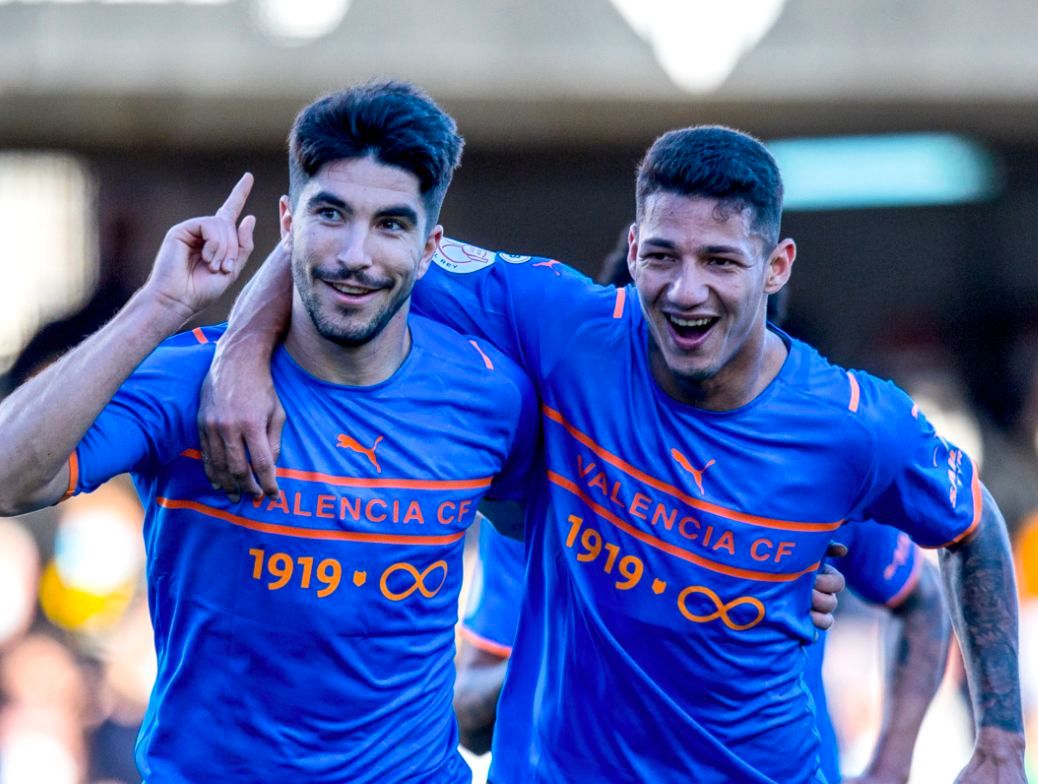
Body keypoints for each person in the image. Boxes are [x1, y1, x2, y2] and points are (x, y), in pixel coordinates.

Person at [199, 124, 1026, 782]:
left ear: (776, 266)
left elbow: (971, 524)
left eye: (720, 261)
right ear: (632, 250)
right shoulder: (569, 328)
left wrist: (995, 741)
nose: (686, 291)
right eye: (663, 256)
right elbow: (350, 245)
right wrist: (239, 352)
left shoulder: (852, 427)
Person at [0, 81, 545, 783]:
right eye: (331, 214)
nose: (355, 253)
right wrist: (157, 306)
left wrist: (503, 655)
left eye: (390, 225)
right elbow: (10, 480)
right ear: (288, 223)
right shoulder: (188, 379)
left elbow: (554, 535)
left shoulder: (492, 397)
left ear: (429, 247)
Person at [456, 519, 949, 784]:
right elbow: (470, 722)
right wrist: (584, 632)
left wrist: (890, 770)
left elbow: (925, 599)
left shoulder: (812, 451)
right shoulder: (550, 487)